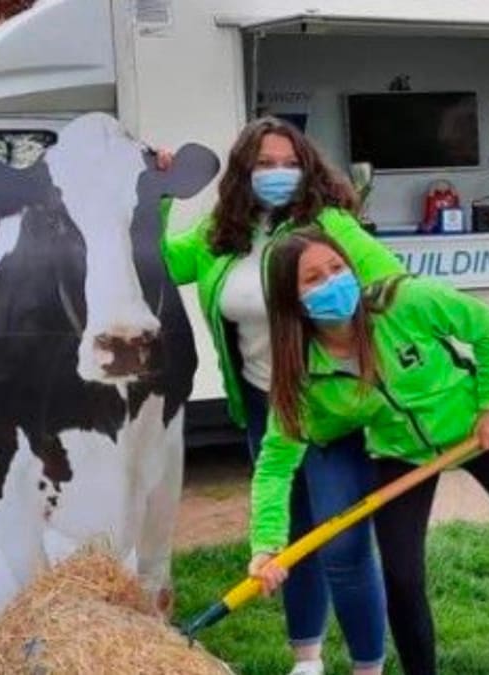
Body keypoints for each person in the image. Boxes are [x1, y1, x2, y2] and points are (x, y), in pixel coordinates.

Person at [248, 227, 489, 675]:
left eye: (337, 268)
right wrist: (265, 545)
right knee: (401, 576)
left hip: (479, 430)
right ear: (291, 299)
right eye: (314, 279)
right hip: (401, 454)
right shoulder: (300, 370)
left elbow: (485, 328)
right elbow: (275, 465)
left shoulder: (404, 301)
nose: (333, 283)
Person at [159, 117, 403, 675]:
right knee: (291, 536)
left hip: (331, 406)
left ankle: (369, 667)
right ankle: (307, 659)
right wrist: (162, 195)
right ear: (244, 172)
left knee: (341, 546)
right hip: (263, 402)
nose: (278, 174)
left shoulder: (330, 224)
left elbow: (392, 284)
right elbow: (166, 264)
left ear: (307, 166)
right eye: (264, 164)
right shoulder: (222, 234)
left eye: (288, 163)